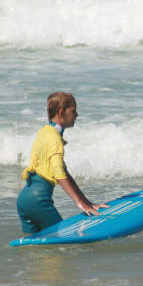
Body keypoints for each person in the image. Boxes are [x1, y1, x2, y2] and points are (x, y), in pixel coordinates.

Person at [16, 92, 108, 233]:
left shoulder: (44, 132)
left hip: (24, 199)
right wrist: (80, 203)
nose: (77, 115)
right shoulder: (54, 140)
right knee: (63, 240)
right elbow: (59, 174)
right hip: (38, 201)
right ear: (61, 112)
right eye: (73, 111)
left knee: (35, 248)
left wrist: (86, 201)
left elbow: (64, 172)